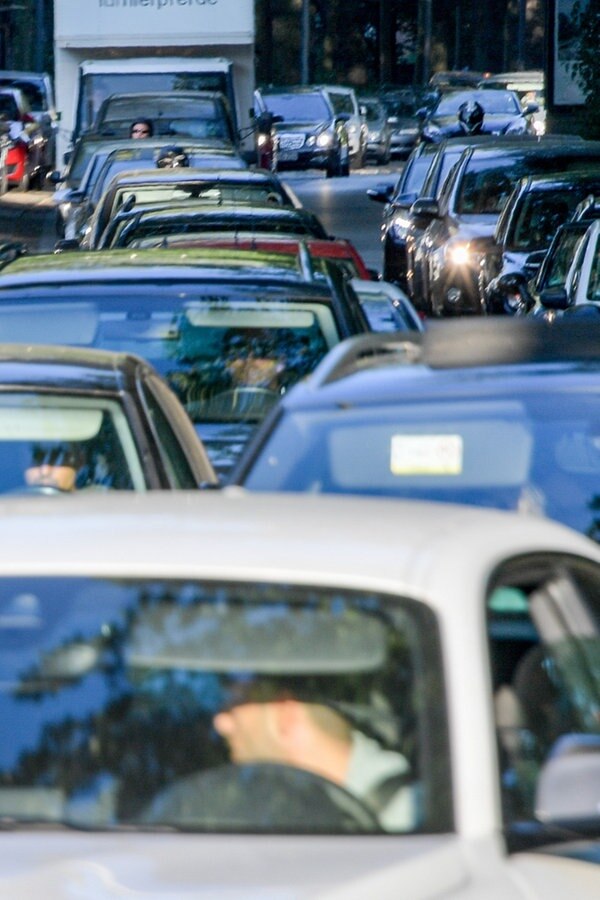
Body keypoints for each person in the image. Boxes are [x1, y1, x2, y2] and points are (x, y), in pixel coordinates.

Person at [211, 685, 417, 830]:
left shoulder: (409, 812)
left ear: (285, 717)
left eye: (235, 703)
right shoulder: (285, 808)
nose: (220, 723)